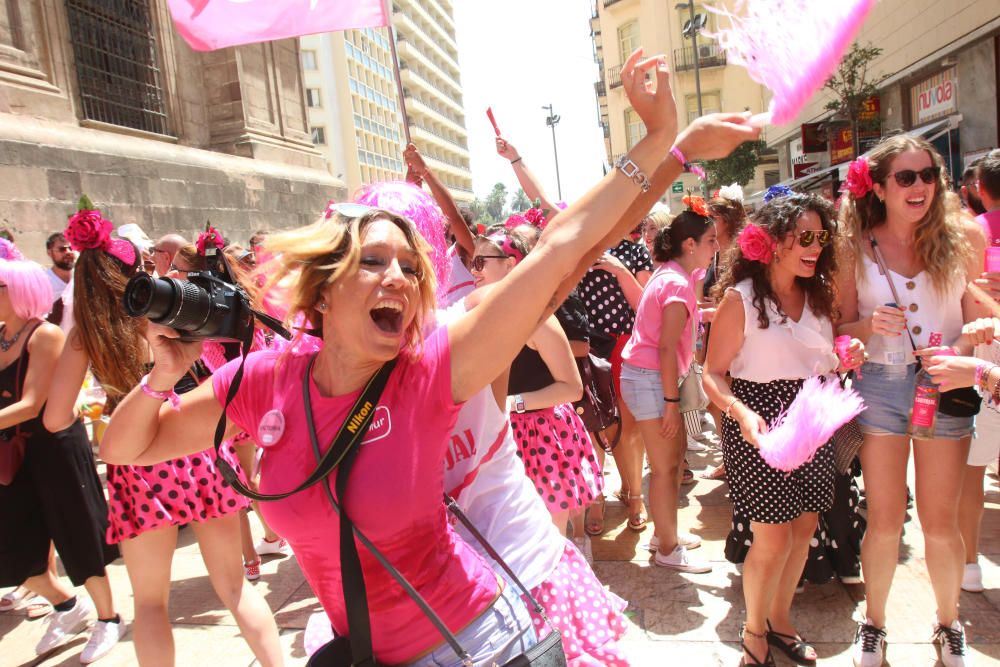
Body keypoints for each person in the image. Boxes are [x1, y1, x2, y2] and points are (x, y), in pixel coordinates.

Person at [98, 50, 762, 666]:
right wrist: (162, 371)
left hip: (476, 638)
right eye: (373, 261)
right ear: (324, 287)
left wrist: (668, 145)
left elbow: (564, 249)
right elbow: (129, 447)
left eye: (411, 266)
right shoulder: (265, 380)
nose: (399, 278)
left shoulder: (434, 365)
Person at [43, 204, 283, 667]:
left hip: (137, 463)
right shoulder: (169, 311)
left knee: (151, 604)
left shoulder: (83, 338)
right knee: (234, 588)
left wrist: (94, 404)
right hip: (197, 445)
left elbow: (54, 420)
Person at [835, 135, 986, 667]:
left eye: (927, 175)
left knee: (941, 521)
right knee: (885, 517)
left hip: (942, 387)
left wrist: (963, 350)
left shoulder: (961, 237)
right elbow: (839, 327)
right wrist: (863, 329)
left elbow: (978, 318)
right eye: (905, 177)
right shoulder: (856, 246)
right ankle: (874, 624)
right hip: (879, 383)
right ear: (879, 187)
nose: (919, 186)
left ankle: (948, 626)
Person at [704, 192, 864, 667]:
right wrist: (738, 412)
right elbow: (711, 373)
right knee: (771, 537)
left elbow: (826, 355)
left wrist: (849, 353)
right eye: (803, 238)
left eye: (821, 237)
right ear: (771, 243)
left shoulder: (818, 295)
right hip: (756, 421)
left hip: (812, 415)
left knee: (803, 529)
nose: (815, 247)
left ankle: (779, 619)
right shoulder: (742, 299)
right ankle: (754, 633)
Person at [0, 257, 123, 664]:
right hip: (13, 451)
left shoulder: (45, 335)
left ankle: (109, 617)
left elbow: (31, 404)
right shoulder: (1, 336)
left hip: (53, 446)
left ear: (17, 292)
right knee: (14, 547)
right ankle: (68, 607)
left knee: (78, 535)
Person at [469, 225, 602, 540]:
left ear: (510, 264)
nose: (473, 271)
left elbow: (571, 387)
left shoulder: (538, 320)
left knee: (546, 535)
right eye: (470, 262)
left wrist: (512, 403)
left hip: (540, 434)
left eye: (480, 262)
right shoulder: (474, 314)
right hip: (497, 434)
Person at [620, 198, 717, 573]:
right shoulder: (675, 283)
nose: (716, 247)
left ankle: (666, 533)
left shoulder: (675, 274)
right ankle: (667, 548)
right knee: (664, 469)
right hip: (652, 381)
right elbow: (664, 348)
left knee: (673, 464)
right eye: (710, 240)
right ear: (689, 245)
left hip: (651, 378)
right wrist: (672, 403)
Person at [44, 232, 75, 304]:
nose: (68, 252)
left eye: (71, 248)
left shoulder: (82, 277)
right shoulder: (45, 282)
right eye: (62, 249)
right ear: (49, 253)